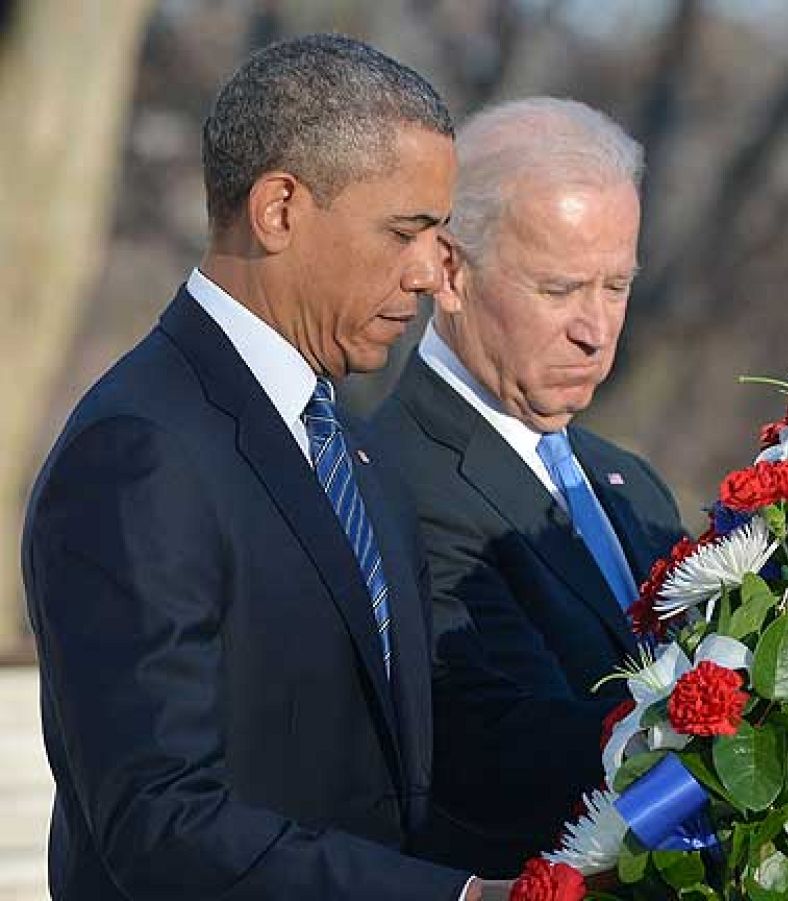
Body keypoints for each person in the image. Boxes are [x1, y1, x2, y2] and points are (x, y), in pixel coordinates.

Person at [21, 35, 543, 900]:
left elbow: (398, 782)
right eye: (406, 230)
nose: (431, 274)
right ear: (279, 210)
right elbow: (161, 821)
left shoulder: (350, 449)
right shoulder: (137, 451)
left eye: (440, 234)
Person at [372, 98, 686, 872]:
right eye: (559, 289)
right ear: (449, 270)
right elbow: (505, 751)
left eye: (616, 287)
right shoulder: (393, 478)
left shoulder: (632, 486)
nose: (596, 327)